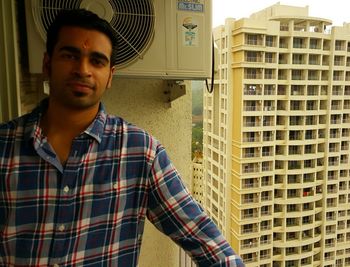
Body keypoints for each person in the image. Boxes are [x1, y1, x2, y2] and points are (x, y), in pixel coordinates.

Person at [0, 9, 244, 267]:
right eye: (70, 55)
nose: (83, 70)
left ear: (110, 76)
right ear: (47, 64)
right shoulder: (5, 147)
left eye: (97, 61)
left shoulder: (140, 153)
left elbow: (206, 240)